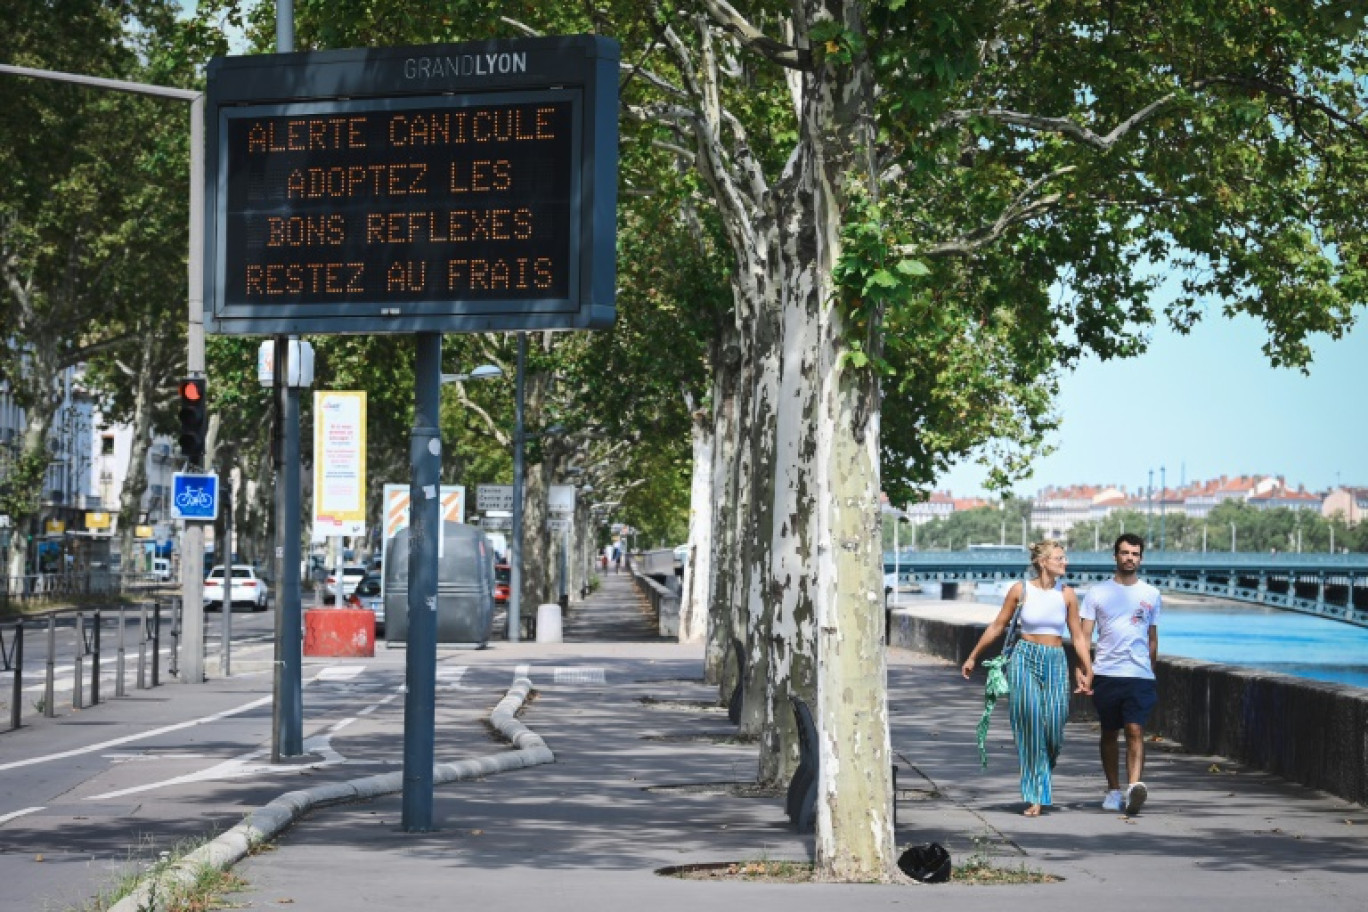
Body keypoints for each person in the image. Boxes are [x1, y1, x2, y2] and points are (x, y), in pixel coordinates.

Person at [961, 540, 1093, 816]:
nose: (1065, 562)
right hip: (1024, 658)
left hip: (1056, 660)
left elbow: (1078, 635)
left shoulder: (1067, 594)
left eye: (1064, 557)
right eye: (1059, 558)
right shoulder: (1020, 591)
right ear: (1043, 562)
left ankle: (1040, 776)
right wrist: (974, 656)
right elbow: (998, 625)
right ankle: (1036, 795)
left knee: (1055, 727)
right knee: (1030, 725)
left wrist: (1086, 667)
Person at [1081, 532, 1160, 816]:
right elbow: (1084, 635)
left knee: (1136, 729)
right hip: (1106, 672)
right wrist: (1085, 670)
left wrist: (1151, 668)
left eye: (1135, 554)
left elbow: (1152, 637)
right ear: (1115, 556)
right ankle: (1114, 790)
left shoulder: (1151, 594)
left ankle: (1133, 788)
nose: (1130, 558)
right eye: (1125, 553)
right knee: (1109, 732)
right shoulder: (1097, 593)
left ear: (1141, 558)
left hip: (1139, 675)